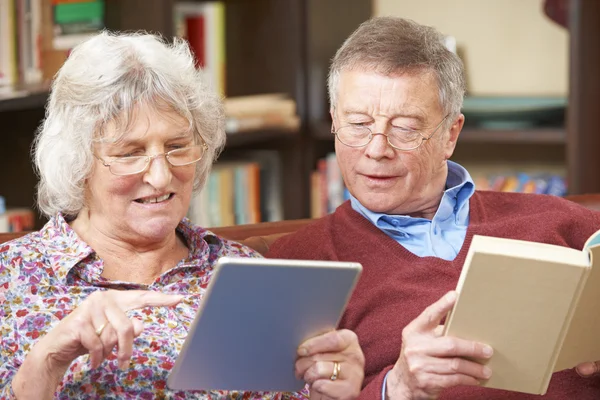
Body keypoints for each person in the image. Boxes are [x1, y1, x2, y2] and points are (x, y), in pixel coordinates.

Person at [0, 31, 365, 400]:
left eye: (177, 147)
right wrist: (48, 359)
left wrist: (332, 393)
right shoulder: (10, 280)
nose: (160, 177)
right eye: (130, 153)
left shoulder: (245, 274)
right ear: (78, 162)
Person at [266, 16, 600, 399]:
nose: (376, 149)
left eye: (405, 128)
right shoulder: (302, 264)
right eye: (357, 124)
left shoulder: (561, 221)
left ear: (450, 135)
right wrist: (399, 387)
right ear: (333, 122)